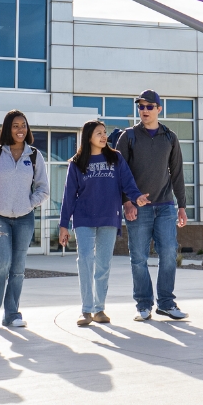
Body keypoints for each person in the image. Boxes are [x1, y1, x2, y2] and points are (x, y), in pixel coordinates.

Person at [59, 120, 146, 326]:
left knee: (103, 265)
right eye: (98, 133)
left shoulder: (115, 158)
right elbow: (69, 196)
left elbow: (128, 182)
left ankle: (99, 309)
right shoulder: (77, 162)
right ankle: (86, 310)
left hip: (109, 217)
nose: (103, 136)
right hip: (84, 218)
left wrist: (137, 197)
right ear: (88, 136)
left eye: (105, 132)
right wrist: (64, 224)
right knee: (86, 260)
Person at [117, 89, 188, 322]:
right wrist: (126, 202)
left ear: (159, 109)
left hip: (166, 205)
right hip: (138, 208)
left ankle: (166, 303)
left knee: (168, 253)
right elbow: (120, 173)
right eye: (141, 106)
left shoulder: (170, 137)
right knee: (138, 257)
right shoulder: (128, 137)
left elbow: (177, 173)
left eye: (149, 106)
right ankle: (143, 304)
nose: (144, 110)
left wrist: (182, 206)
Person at [0, 110, 49, 328]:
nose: (20, 129)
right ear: (8, 128)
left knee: (18, 268)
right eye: (16, 125)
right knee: (3, 262)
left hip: (24, 218)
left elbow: (43, 189)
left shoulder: (35, 156)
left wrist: (29, 203)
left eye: (24, 125)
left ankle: (12, 314)